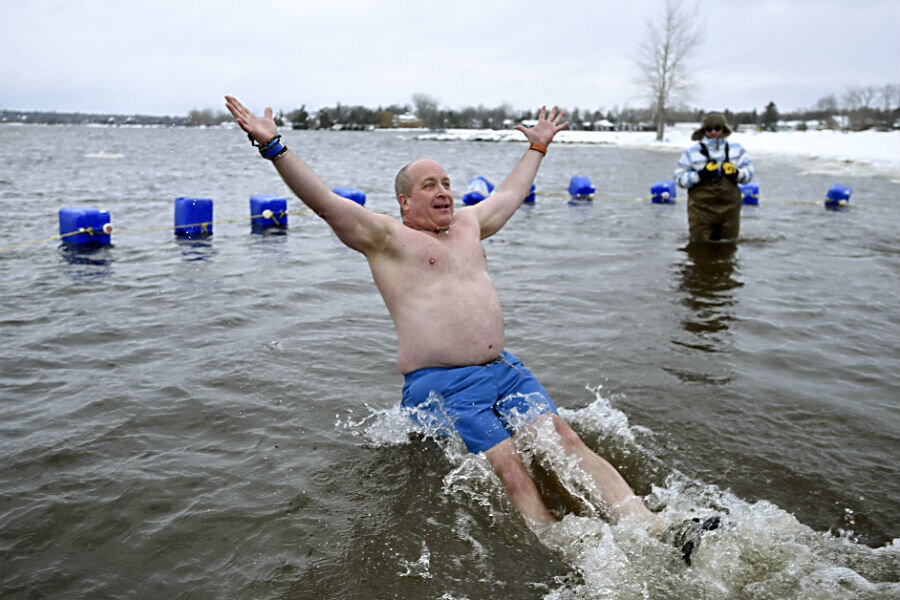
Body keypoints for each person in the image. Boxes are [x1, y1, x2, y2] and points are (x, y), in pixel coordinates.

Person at [225, 95, 717, 562]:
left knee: (565, 440)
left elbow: (507, 195)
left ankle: (654, 529)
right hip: (444, 382)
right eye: (429, 185)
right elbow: (325, 200)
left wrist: (537, 147)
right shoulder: (385, 238)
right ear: (404, 202)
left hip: (505, 372)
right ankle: (566, 552)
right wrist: (274, 147)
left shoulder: (467, 226)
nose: (443, 191)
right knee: (509, 465)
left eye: (445, 182)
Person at [674, 114, 754, 242]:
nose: (713, 132)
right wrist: (700, 175)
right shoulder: (692, 152)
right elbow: (679, 178)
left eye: (717, 128)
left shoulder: (737, 150)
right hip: (701, 211)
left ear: (723, 129)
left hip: (730, 211)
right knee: (700, 248)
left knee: (729, 245)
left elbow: (748, 174)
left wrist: (736, 174)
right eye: (709, 129)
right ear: (704, 131)